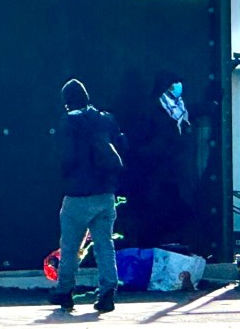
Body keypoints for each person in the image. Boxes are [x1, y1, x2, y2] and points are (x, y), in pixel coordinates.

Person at [48, 79, 123, 313]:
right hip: (105, 193)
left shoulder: (68, 122)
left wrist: (63, 176)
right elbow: (120, 144)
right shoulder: (105, 119)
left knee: (70, 246)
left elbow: (67, 158)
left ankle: (65, 291)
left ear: (67, 102)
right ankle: (108, 291)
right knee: (104, 244)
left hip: (78, 194)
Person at [130, 71, 195, 248]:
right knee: (154, 215)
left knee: (176, 211)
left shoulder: (178, 108)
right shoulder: (151, 109)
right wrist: (158, 150)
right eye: (174, 83)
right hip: (155, 173)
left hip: (171, 173)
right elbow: (140, 142)